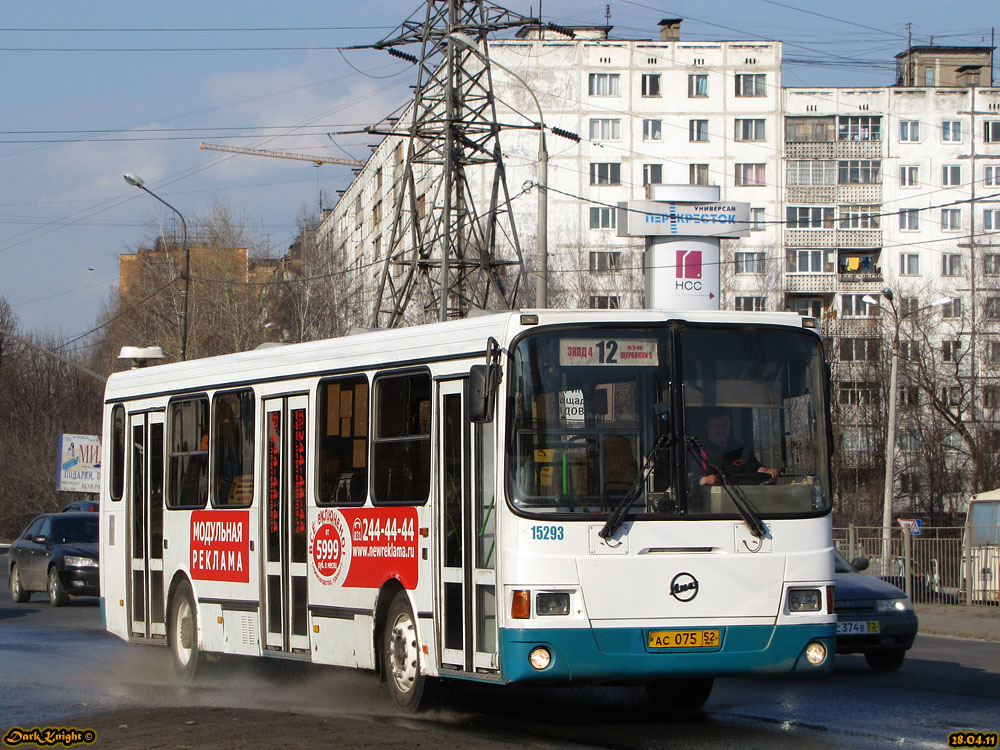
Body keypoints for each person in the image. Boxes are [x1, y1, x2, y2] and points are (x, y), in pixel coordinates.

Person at [695, 407, 778, 487]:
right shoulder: (698, 450)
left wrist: (767, 472)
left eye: (724, 424)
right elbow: (689, 481)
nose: (721, 429)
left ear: (729, 425)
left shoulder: (739, 449)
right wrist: (704, 480)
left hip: (741, 498)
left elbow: (754, 467)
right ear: (707, 427)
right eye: (716, 425)